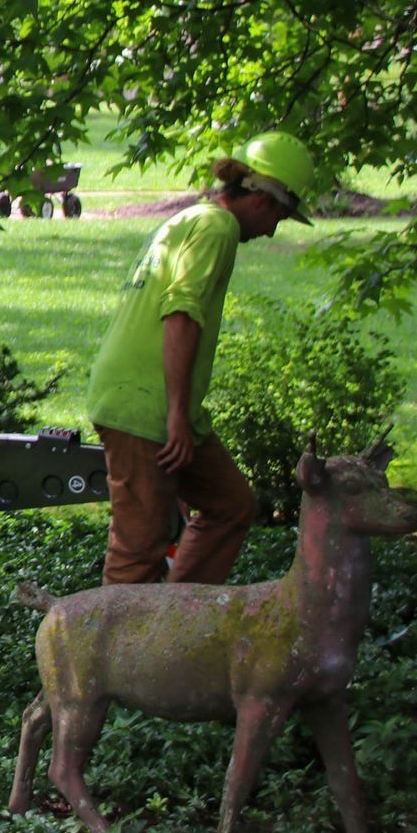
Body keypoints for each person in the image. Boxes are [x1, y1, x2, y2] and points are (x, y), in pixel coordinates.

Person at [85, 131, 316, 585]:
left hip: (159, 401)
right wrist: (175, 416)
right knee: (139, 549)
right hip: (143, 406)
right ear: (264, 202)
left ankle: (179, 622)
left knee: (231, 504)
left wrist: (182, 416)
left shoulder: (192, 219)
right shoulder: (218, 228)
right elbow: (181, 315)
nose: (271, 231)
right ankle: (114, 651)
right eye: (281, 218)